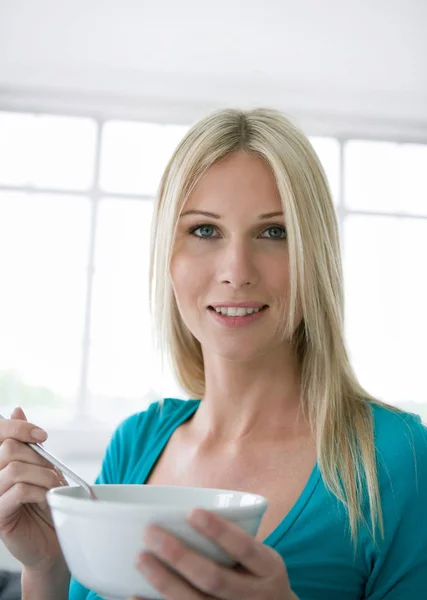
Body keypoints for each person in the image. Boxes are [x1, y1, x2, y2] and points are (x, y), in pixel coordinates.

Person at [0, 108, 426, 600]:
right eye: (205, 231)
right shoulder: (136, 443)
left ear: (316, 256)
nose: (237, 271)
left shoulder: (398, 461)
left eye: (274, 232)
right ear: (168, 255)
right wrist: (48, 569)